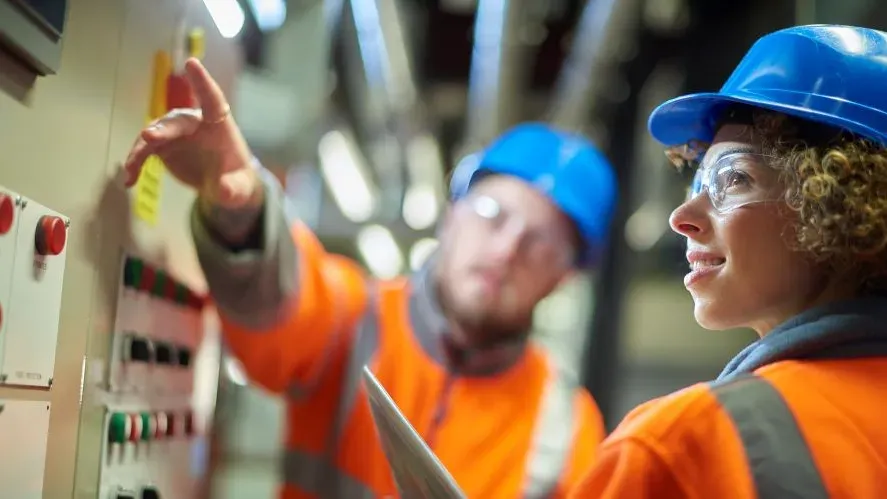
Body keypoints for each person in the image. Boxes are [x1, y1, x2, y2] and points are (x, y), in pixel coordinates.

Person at [122, 59, 618, 498]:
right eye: (492, 213)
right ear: (453, 214)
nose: (507, 251)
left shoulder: (568, 427)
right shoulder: (356, 316)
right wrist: (244, 210)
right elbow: (283, 302)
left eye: (542, 243)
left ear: (564, 277)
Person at [569, 24, 887, 499]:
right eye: (697, 184)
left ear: (846, 201)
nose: (682, 217)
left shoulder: (681, 445)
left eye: (733, 179)